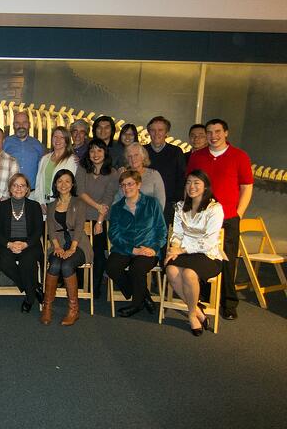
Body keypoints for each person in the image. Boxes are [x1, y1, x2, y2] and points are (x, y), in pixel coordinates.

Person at [186, 118, 253, 320]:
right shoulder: (197, 156)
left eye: (217, 132)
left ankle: (228, 303)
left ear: (226, 133)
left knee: (227, 260)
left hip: (228, 219)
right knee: (201, 257)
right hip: (201, 218)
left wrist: (238, 213)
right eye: (209, 132)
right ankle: (203, 297)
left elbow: (246, 187)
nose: (213, 136)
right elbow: (190, 184)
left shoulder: (240, 156)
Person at [165, 170, 224, 336]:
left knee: (189, 274)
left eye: (197, 182)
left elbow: (209, 242)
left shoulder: (215, 209)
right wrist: (173, 249)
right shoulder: (180, 206)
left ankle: (191, 315)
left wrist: (181, 250)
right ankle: (198, 310)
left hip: (208, 254)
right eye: (189, 182)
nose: (192, 186)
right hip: (184, 252)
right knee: (171, 270)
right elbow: (177, 233)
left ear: (205, 187)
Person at [107, 170, 167, 317]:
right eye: (123, 185)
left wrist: (154, 248)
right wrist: (132, 250)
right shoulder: (116, 208)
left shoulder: (152, 203)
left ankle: (136, 304)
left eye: (130, 184)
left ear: (139, 184)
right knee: (111, 267)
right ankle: (143, 296)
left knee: (137, 269)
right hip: (123, 248)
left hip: (148, 248)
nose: (126, 188)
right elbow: (113, 234)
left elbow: (161, 230)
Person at [43, 169, 92, 326]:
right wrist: (57, 247)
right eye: (60, 181)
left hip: (79, 244)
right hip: (58, 244)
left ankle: (73, 310)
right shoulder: (51, 205)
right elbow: (51, 229)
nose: (63, 185)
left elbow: (79, 227)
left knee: (67, 264)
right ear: (55, 184)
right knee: (55, 263)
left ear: (72, 184)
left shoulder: (79, 202)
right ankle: (47, 307)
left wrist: (72, 248)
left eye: (67, 181)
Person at [76, 138, 120, 298]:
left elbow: (108, 198)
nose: (95, 154)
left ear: (105, 152)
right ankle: (80, 285)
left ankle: (95, 288)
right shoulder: (82, 168)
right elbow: (80, 192)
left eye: (99, 150)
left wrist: (100, 221)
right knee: (80, 250)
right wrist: (97, 206)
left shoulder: (113, 173)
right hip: (81, 216)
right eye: (92, 150)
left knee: (99, 254)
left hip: (102, 218)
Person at [0, 173, 44, 313]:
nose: (18, 188)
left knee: (28, 261)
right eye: (15, 185)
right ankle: (33, 288)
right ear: (10, 188)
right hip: (6, 244)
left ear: (27, 189)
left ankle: (29, 299)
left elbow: (38, 230)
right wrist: (9, 244)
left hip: (29, 244)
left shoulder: (34, 206)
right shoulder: (1, 206)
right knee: (3, 262)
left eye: (22, 186)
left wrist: (25, 244)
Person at [145, 116, 186, 225]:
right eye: (153, 130)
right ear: (148, 132)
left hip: (169, 207)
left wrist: (177, 202)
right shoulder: (142, 151)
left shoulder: (176, 152)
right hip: (145, 206)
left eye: (160, 130)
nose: (156, 133)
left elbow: (182, 178)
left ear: (166, 132)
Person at [33, 126, 78, 211]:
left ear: (67, 141)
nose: (58, 140)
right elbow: (38, 182)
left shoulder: (71, 160)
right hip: (43, 203)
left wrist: (58, 205)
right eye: (55, 136)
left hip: (62, 206)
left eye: (62, 137)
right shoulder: (44, 159)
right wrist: (40, 203)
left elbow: (70, 186)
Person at [115, 142, 166, 210]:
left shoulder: (154, 175)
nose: (133, 159)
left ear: (143, 156)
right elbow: (117, 199)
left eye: (136, 155)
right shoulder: (122, 174)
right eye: (130, 156)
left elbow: (160, 201)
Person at [3, 111, 45, 190]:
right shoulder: (6, 143)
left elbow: (43, 168)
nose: (21, 126)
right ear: (13, 125)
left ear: (29, 125)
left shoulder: (37, 145)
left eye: (24, 123)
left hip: (32, 193)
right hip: (11, 192)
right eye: (17, 123)